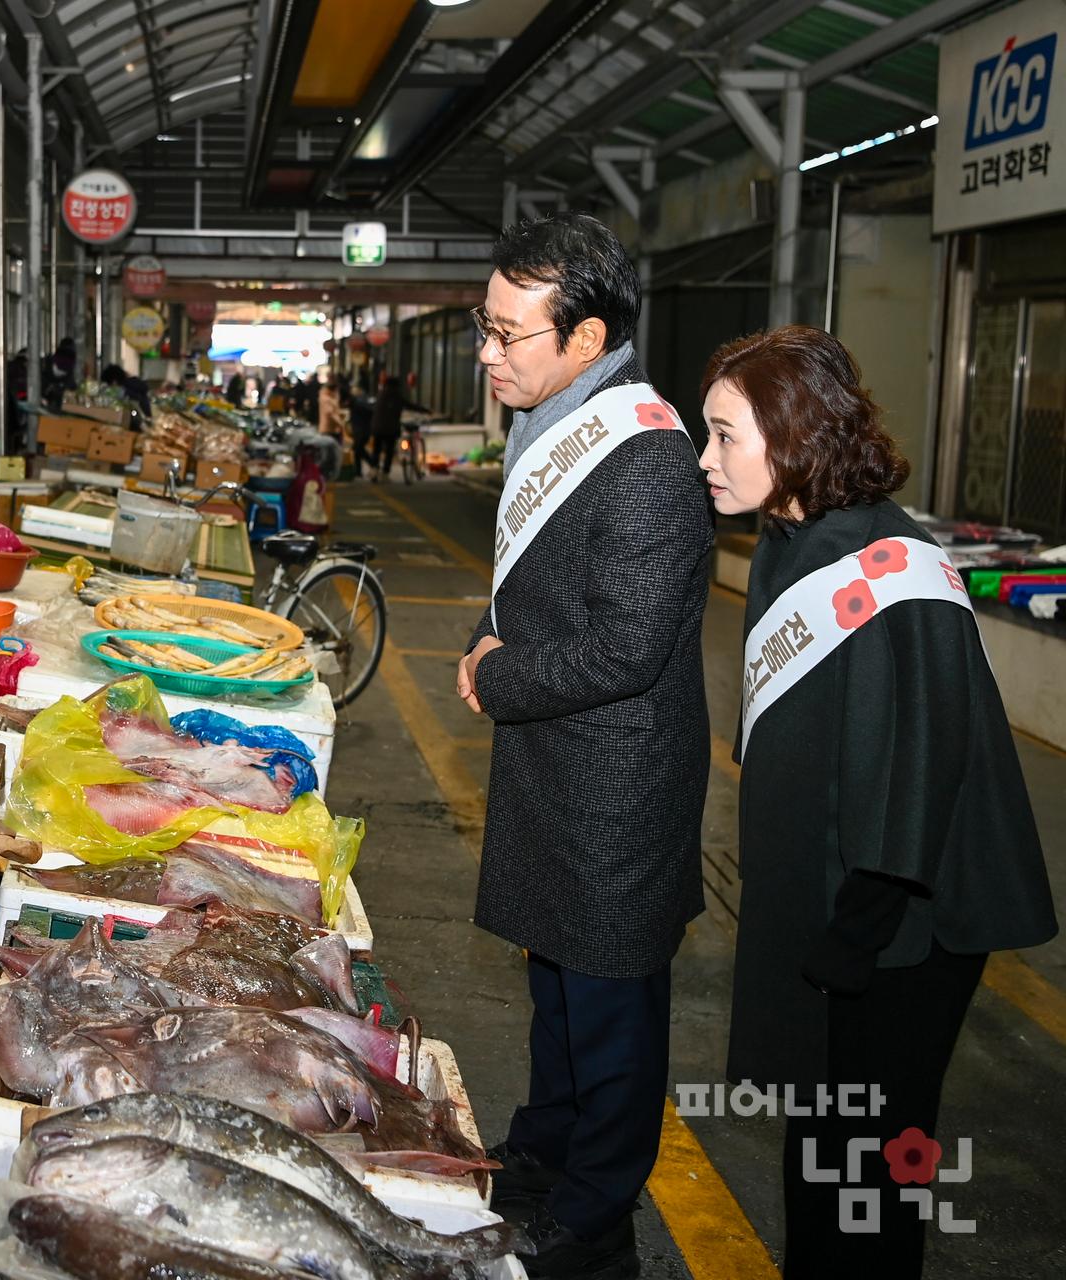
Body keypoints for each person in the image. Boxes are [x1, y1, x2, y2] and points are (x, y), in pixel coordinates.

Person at [700, 326, 1055, 1279]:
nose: (707, 459)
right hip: (841, 906)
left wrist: (851, 935)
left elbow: (926, 768)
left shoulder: (896, 567)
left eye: (724, 435)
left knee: (873, 1166)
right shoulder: (790, 537)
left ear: (792, 433)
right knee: (824, 1145)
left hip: (900, 928)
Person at [453, 212, 712, 1279]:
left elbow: (628, 646)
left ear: (587, 333)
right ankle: (543, 1148)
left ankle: (597, 1211)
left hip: (613, 780)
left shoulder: (646, 454)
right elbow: (531, 581)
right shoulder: (555, 413)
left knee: (611, 1015)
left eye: (508, 333)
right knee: (556, 990)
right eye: (485, 323)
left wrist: (499, 676)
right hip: (556, 764)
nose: (486, 351)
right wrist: (485, 633)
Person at [368, 374, 417, 480]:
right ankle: (385, 472)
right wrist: (426, 411)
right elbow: (410, 406)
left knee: (376, 449)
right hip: (391, 429)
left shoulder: (380, 395)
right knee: (389, 451)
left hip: (377, 428)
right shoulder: (397, 396)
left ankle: (374, 469)